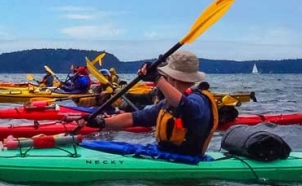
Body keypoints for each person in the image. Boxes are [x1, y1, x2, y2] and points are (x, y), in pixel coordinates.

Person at [81, 51, 218, 157]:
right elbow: (135, 118)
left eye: (165, 76)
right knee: (94, 145)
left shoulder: (198, 101)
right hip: (163, 153)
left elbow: (184, 106)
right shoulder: (168, 103)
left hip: (185, 159)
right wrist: (101, 122)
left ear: (171, 77)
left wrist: (157, 78)